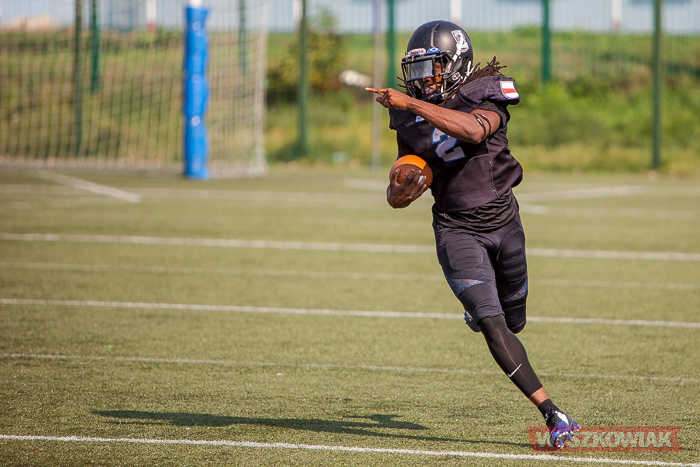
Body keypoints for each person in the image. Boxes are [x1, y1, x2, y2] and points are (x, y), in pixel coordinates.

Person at [366, 20, 579, 449]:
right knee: (492, 322)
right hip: (455, 227)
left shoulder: (486, 92)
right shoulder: (408, 115)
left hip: (504, 222)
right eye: (417, 70)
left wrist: (412, 103)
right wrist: (398, 191)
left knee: (515, 320)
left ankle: (487, 310)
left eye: (432, 68)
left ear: (457, 64)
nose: (424, 79)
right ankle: (553, 413)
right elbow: (402, 179)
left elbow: (473, 130)